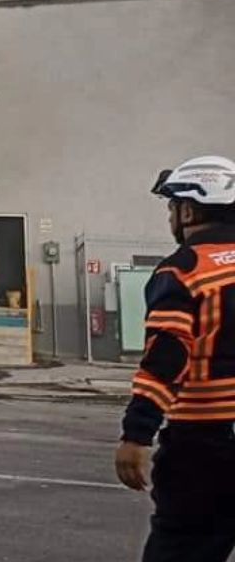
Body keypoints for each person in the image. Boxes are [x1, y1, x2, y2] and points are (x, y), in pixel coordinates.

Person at [116, 156, 235, 561]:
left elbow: (167, 355)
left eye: (171, 207)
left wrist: (136, 434)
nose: (170, 217)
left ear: (187, 209)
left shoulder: (185, 269)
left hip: (206, 447)